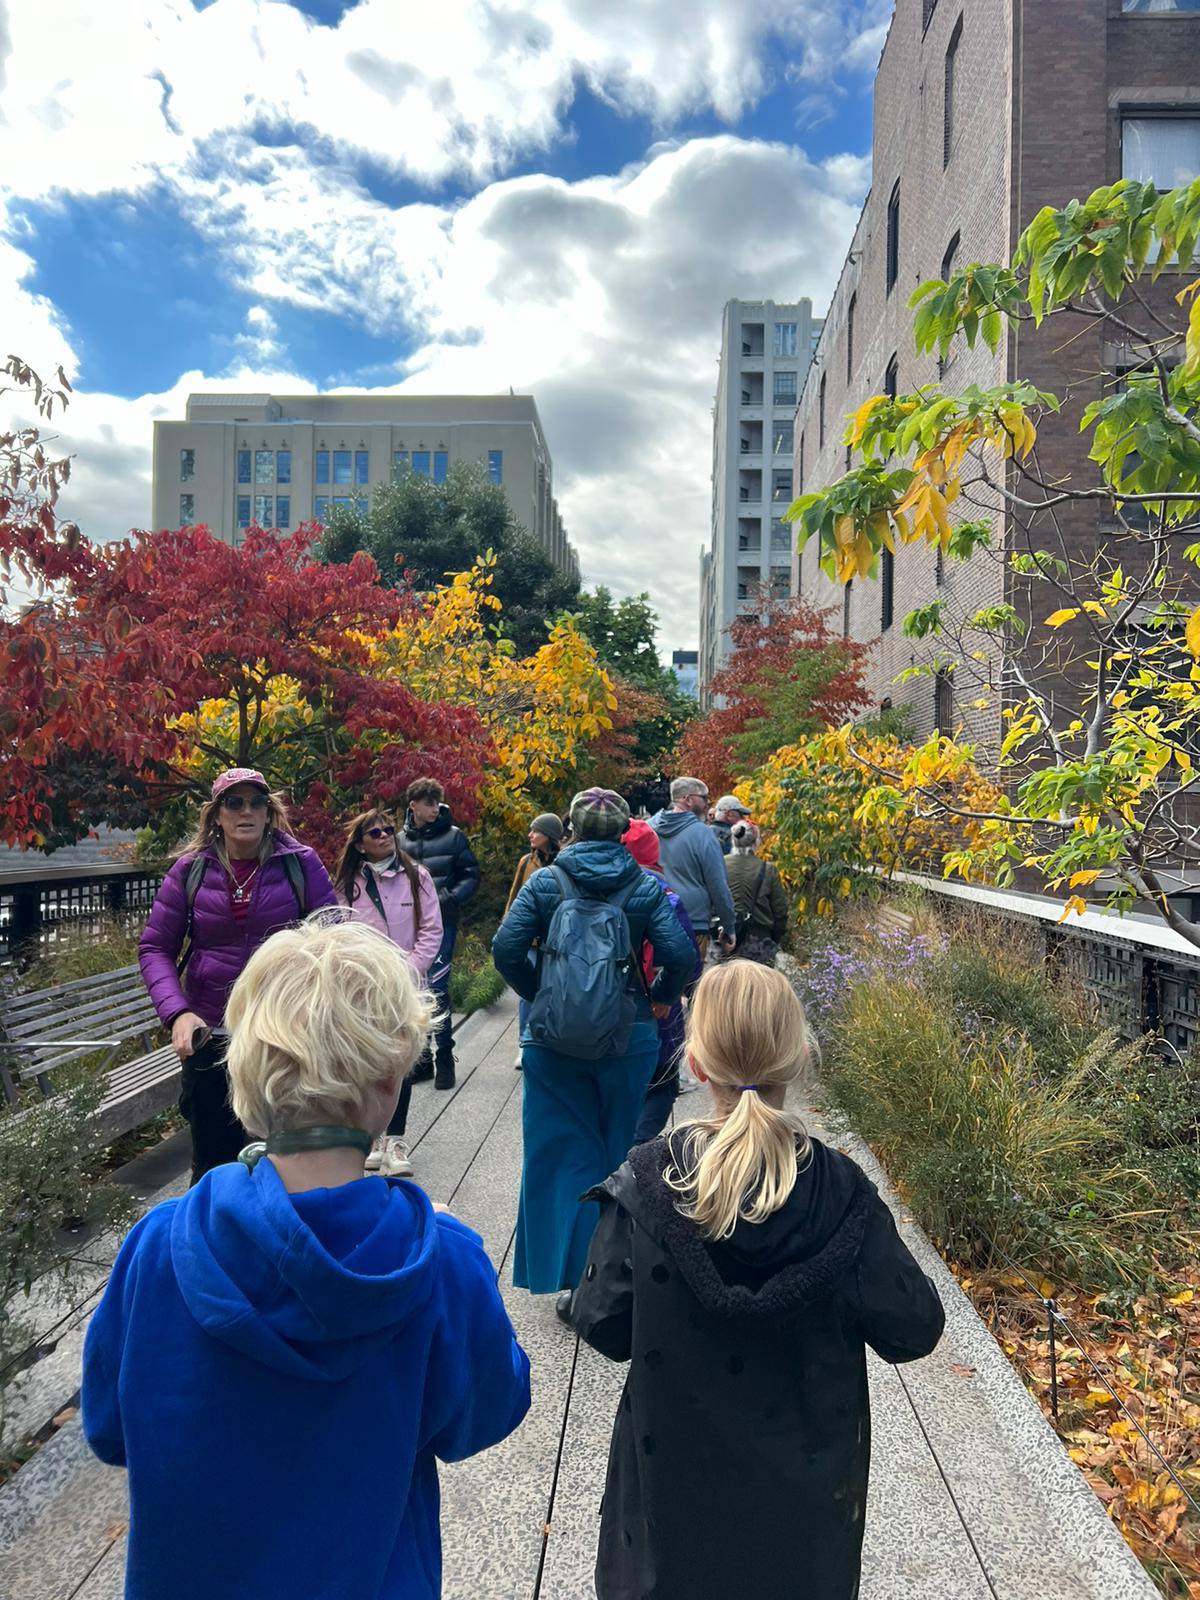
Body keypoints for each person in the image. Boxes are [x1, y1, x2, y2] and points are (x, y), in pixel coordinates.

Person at [83, 919, 531, 1600]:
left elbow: (110, 1430)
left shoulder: (159, 1248)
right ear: (391, 1078)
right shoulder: (441, 1262)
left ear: (245, 1068)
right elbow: (483, 1416)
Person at [567, 960, 945, 1600]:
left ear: (694, 1062)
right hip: (805, 1515)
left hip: (669, 1496)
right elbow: (914, 1328)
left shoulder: (648, 1179)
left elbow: (603, 1322)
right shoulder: (841, 1192)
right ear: (797, 1057)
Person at [492, 788, 695, 1310]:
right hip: (626, 1033)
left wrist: (542, 995)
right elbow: (679, 954)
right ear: (625, 830)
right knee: (618, 1147)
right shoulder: (644, 888)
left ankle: (564, 1273)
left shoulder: (545, 881)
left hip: (553, 1038)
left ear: (571, 831)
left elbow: (506, 948)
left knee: (555, 1152)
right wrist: (663, 1000)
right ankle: (614, 1272)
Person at [139, 768, 337, 1185]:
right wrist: (178, 1014)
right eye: (234, 803)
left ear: (269, 812)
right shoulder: (189, 872)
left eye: (256, 802)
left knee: (285, 1161)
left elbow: (334, 942)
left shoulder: (301, 865)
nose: (246, 811)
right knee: (213, 1167)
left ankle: (278, 1245)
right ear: (217, 815)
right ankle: (213, 1244)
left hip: (282, 1035)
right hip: (211, 1035)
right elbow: (155, 947)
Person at [334, 806, 443, 1177]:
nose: (384, 836)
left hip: (407, 986)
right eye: (375, 833)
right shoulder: (349, 883)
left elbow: (431, 930)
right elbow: (342, 934)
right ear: (360, 845)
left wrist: (407, 970)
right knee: (367, 1064)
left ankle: (396, 1139)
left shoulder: (417, 877)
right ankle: (374, 1136)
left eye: (388, 829)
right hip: (364, 990)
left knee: (401, 1061)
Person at [622, 819, 701, 1143]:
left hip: (599, 1011)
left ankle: (616, 1148)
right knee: (661, 1085)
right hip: (656, 1013)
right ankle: (637, 1150)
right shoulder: (665, 895)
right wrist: (673, 996)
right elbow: (687, 961)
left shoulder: (592, 890)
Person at [400, 777, 481, 1091]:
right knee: (411, 987)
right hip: (407, 925)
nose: (434, 809)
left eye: (437, 802)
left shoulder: (454, 837)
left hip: (443, 922)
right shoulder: (399, 841)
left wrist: (449, 897)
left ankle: (444, 1057)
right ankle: (420, 1061)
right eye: (428, 803)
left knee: (438, 986)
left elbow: (471, 875)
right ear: (413, 806)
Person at [649, 776, 736, 959]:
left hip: (654, 920)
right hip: (692, 922)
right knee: (689, 981)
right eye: (703, 798)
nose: (707, 803)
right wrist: (729, 926)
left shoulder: (649, 829)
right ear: (687, 799)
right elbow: (718, 884)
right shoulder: (703, 834)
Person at [504, 812, 564, 1066]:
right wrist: (507, 927)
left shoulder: (564, 861)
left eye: (535, 831)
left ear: (548, 835)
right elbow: (514, 896)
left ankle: (554, 1039)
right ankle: (525, 1043)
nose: (530, 835)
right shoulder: (526, 862)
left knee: (556, 989)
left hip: (556, 938)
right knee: (528, 992)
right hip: (530, 939)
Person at [722, 820, 789, 966]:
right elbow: (780, 910)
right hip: (759, 940)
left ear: (733, 840)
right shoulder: (767, 869)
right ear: (756, 842)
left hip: (725, 939)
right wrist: (775, 938)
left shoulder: (720, 864)